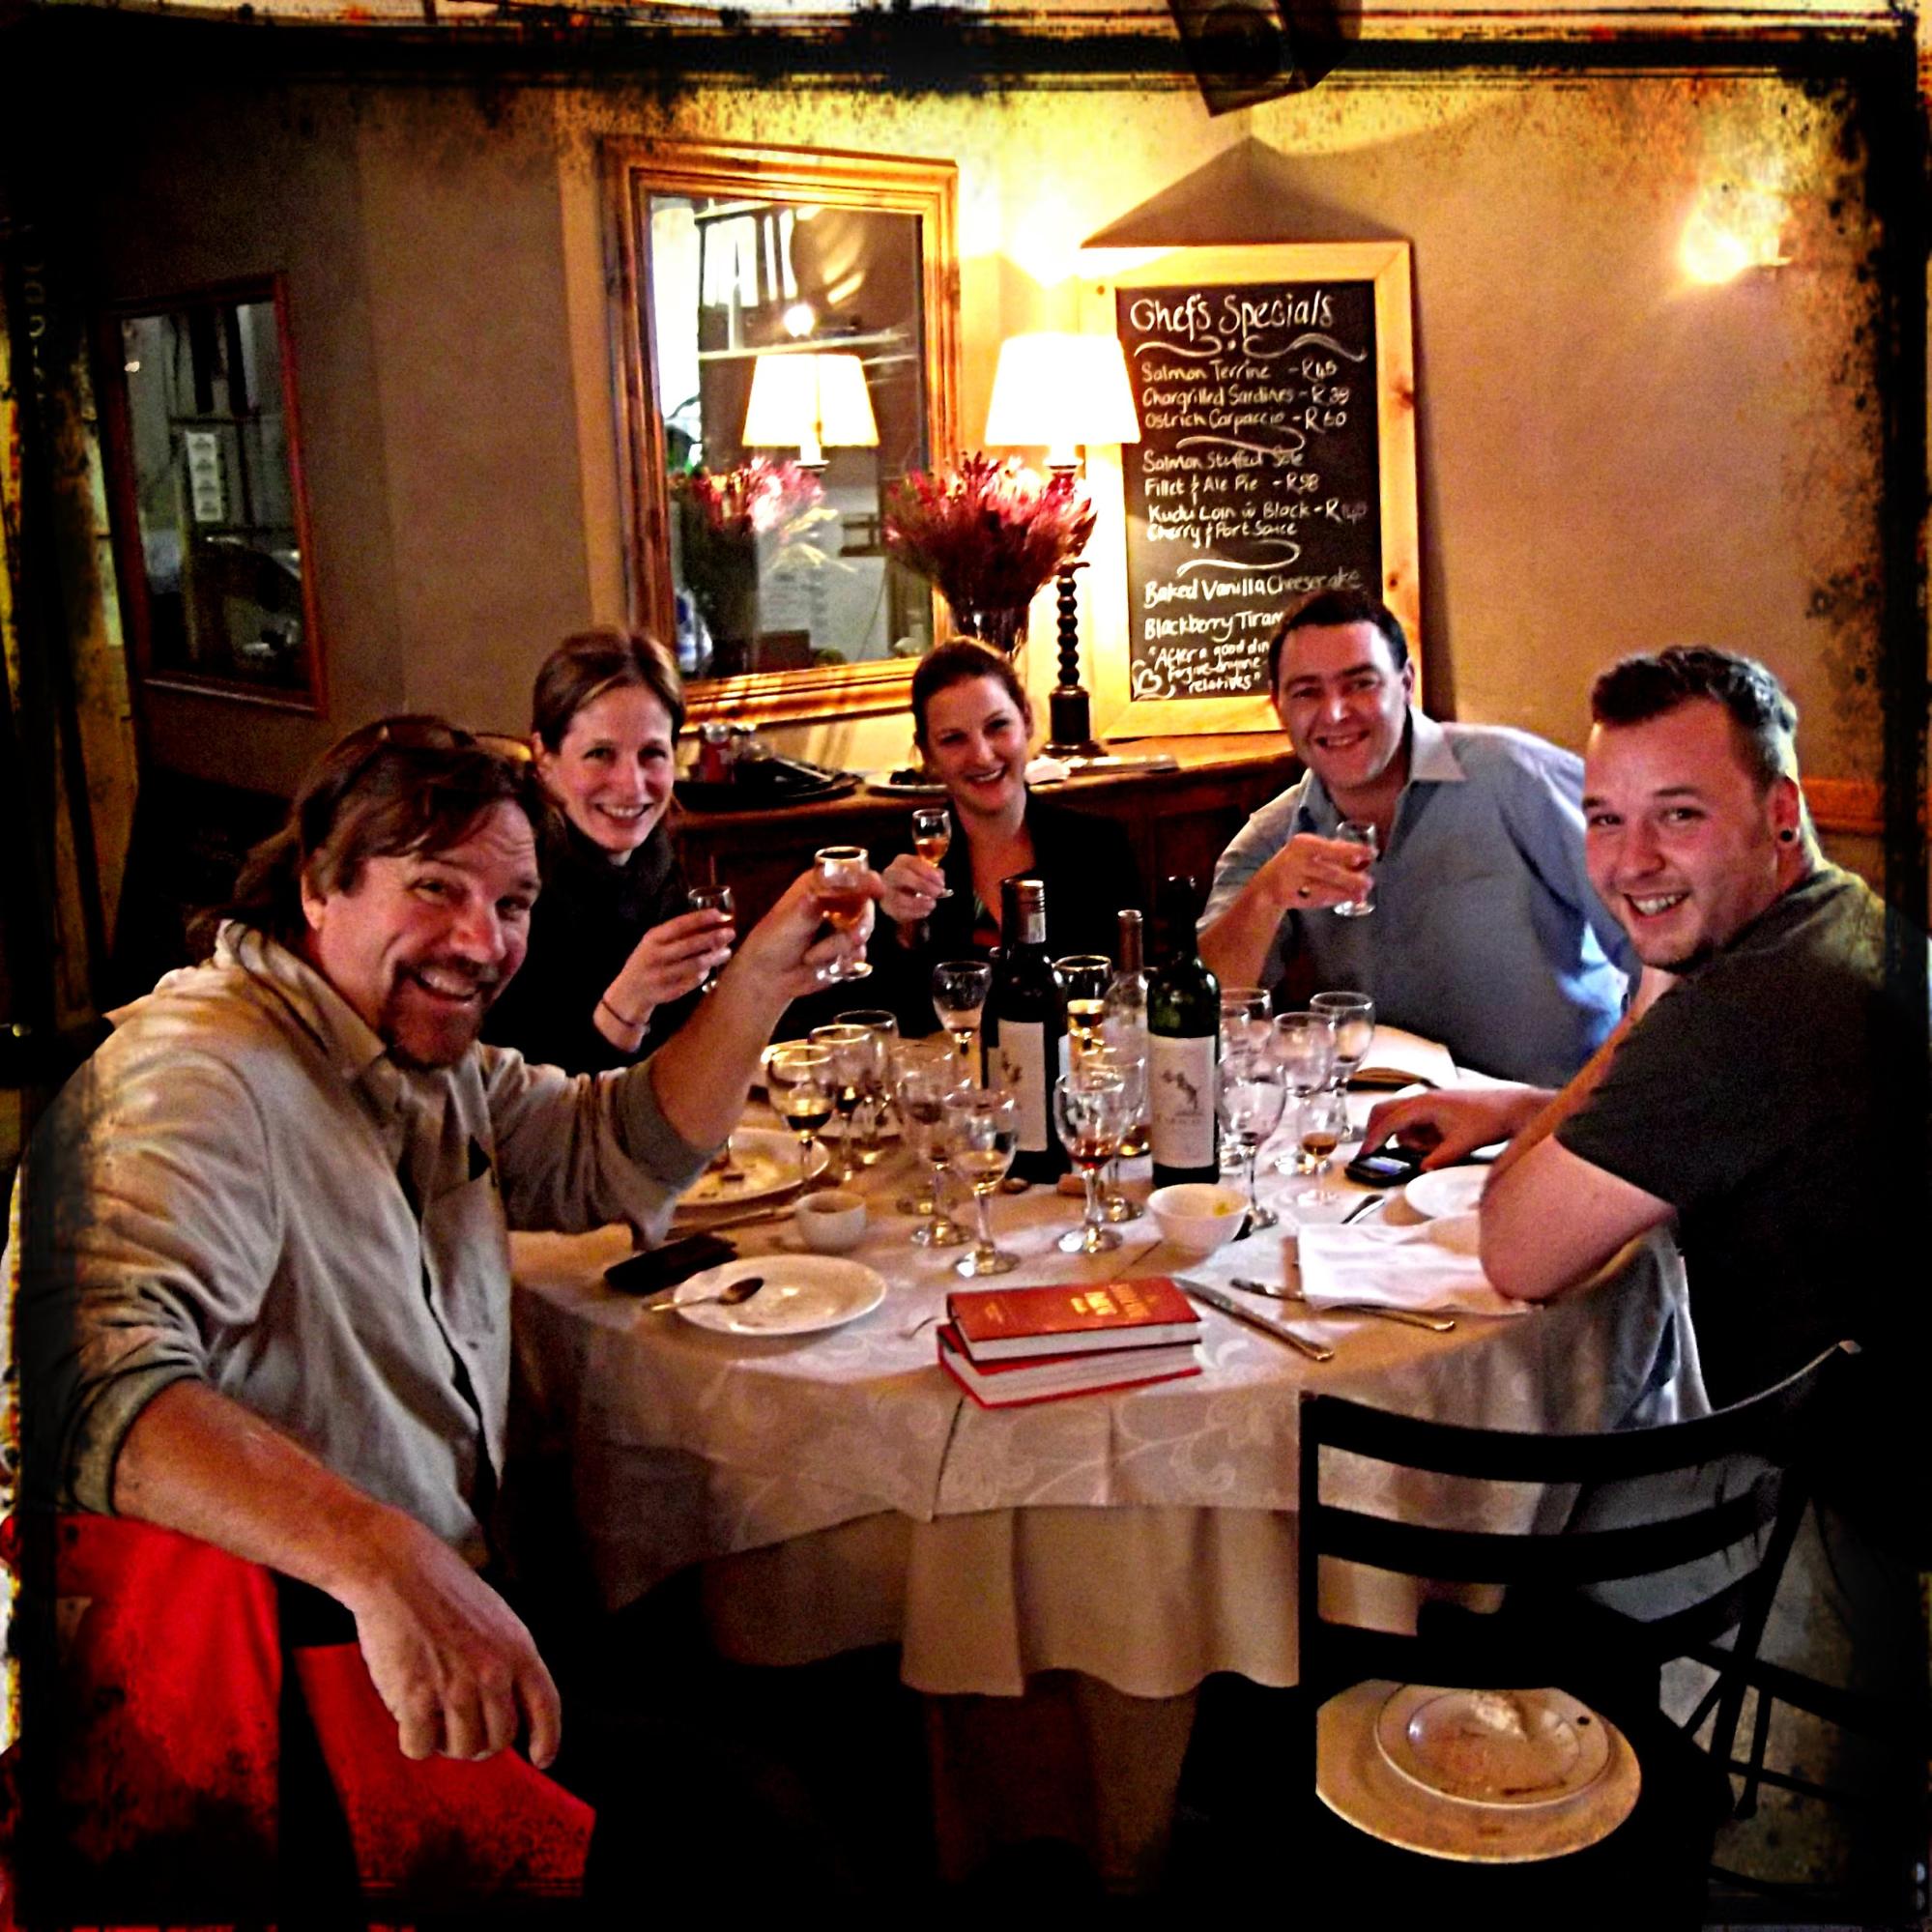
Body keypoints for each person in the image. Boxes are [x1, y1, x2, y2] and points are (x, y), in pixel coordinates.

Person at [14, 714, 877, 1786]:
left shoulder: (416, 1055)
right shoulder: (204, 1073)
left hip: (461, 1593)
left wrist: (756, 984)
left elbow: (613, 1149)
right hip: (303, 1684)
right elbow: (71, 1382)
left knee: (820, 1701)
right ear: (322, 886)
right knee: (769, 1816)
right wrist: (378, 1556)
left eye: (510, 904)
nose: (481, 942)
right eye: (434, 886)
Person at [1362, 646, 1927, 1416]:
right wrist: (1524, 1108)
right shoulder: (1838, 920)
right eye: (1604, 820)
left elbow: (1516, 1249)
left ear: (1781, 814)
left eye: (1679, 814)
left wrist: (1647, 1012)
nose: (1631, 862)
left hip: (1822, 1507)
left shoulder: (1745, 1009)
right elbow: (1723, 1122)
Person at [1197, 589, 1633, 1084]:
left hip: (1548, 1112)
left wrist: (1594, 1104)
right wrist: (1265, 898)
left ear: (1405, 684)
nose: (1336, 713)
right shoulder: (1273, 837)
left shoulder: (1516, 778)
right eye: (1307, 693)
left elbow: (1657, 957)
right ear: (1278, 707)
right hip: (1380, 1124)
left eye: (1360, 684)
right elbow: (1202, 1012)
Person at [483, 627, 728, 1073]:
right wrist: (625, 1007)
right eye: (600, 754)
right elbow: (509, 1116)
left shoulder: (658, 864)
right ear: (543, 755)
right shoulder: (506, 895)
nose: (631, 786)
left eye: (652, 754)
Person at [869, 639, 1143, 1033]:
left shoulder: (1099, 848)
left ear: (1027, 720)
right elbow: (881, 1021)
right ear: (926, 754)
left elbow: (1130, 1000)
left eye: (997, 726)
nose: (981, 755)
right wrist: (899, 931)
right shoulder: (895, 868)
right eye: (953, 739)